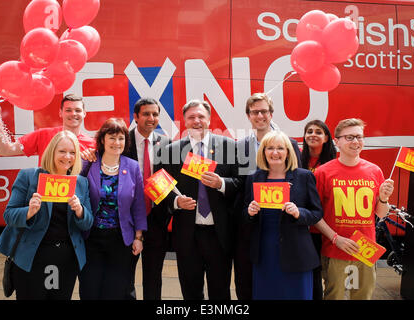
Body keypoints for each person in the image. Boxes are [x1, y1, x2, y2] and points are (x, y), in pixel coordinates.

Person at [0, 130, 93, 300]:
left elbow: (87, 223)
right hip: (32, 259)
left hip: (66, 261)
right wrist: (29, 211)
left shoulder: (81, 183)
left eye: (72, 152)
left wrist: (80, 211)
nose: (67, 157)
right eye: (62, 151)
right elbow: (9, 215)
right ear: (52, 151)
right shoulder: (29, 176)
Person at [161, 99, 240, 300]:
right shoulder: (171, 150)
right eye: (191, 117)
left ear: (209, 119)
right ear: (184, 121)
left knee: (220, 292)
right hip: (187, 235)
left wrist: (221, 183)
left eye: (201, 116)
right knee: (190, 291)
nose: (196, 121)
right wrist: (176, 202)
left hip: (218, 234)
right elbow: (162, 187)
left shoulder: (230, 146)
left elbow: (242, 184)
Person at [314, 118, 394, 300]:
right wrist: (335, 238)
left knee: (363, 296)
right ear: (337, 141)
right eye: (349, 137)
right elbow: (315, 215)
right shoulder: (323, 173)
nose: (355, 142)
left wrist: (383, 198)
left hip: (366, 251)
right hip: (335, 250)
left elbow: (380, 214)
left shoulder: (375, 171)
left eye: (359, 137)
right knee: (334, 296)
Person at [233, 92, 302, 300]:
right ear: (248, 116)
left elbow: (298, 180)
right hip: (251, 221)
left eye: (264, 111)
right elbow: (237, 183)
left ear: (271, 114)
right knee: (246, 279)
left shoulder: (289, 143)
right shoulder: (240, 145)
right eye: (255, 112)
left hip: (282, 223)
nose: (260, 115)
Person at [245, 130, 323, 300]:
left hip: (296, 253)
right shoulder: (254, 178)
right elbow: (245, 215)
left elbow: (317, 213)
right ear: (263, 152)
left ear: (288, 152)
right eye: (270, 148)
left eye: (280, 148)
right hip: (264, 253)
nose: (275, 153)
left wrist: (299, 212)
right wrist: (250, 212)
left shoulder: (304, 177)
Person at [78, 117, 147, 300]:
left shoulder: (132, 167)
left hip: (120, 240)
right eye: (112, 137)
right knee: (90, 289)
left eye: (121, 138)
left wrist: (139, 237)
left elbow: (138, 205)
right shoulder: (88, 163)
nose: (117, 143)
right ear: (102, 140)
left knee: (115, 291)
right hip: (90, 238)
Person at [126, 97, 171, 300]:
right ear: (135, 117)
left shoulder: (167, 143)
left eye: (155, 114)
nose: (151, 118)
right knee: (125, 277)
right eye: (146, 114)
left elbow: (171, 179)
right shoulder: (122, 141)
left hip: (156, 219)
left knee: (153, 277)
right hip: (127, 220)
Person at [0, 94, 95, 164]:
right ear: (60, 113)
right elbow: (5, 150)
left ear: (84, 113)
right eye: (68, 110)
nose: (73, 114)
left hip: (78, 198)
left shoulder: (93, 145)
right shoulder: (43, 135)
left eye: (77, 110)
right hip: (46, 197)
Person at [301, 119, 337, 300]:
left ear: (326, 138)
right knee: (312, 271)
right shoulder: (297, 159)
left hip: (326, 225)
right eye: (309, 131)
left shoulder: (334, 163)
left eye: (318, 132)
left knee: (330, 274)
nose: (313, 135)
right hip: (305, 225)